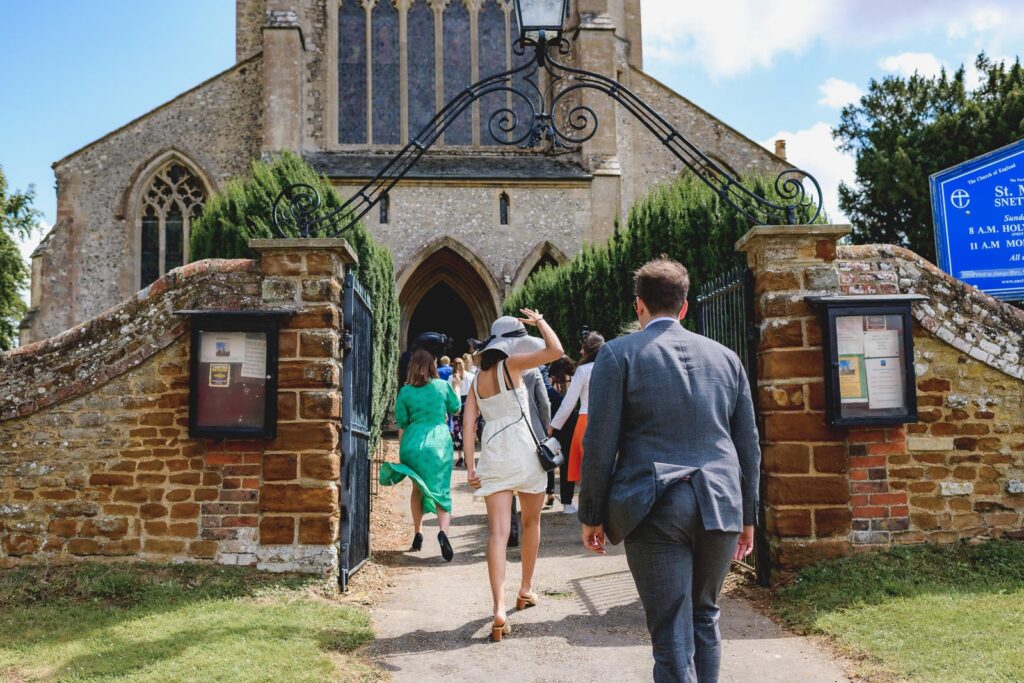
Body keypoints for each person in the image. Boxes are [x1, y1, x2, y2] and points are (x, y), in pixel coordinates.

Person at [578, 259, 760, 683]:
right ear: (684, 306)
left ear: (639, 305)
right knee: (705, 616)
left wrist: (591, 514)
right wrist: (747, 516)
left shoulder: (617, 355)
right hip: (720, 503)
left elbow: (599, 444)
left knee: (669, 630)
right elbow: (747, 444)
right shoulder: (726, 358)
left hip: (653, 504)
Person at [463, 310, 563, 642]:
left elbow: (467, 426)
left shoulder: (477, 380)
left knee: (497, 534)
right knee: (531, 522)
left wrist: (471, 466)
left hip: (493, 455)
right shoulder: (514, 366)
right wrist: (541, 322)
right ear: (510, 347)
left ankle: (498, 609)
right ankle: (525, 590)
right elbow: (556, 351)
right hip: (523, 453)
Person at [380, 348, 463, 562]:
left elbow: (402, 423)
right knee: (441, 490)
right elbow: (456, 409)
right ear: (432, 366)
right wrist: (456, 386)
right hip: (438, 444)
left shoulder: (405, 392)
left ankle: (418, 532)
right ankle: (443, 532)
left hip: (413, 444)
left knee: (417, 488)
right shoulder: (442, 386)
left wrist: (402, 449)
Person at [547, 332, 604, 507]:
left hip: (585, 421)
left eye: (583, 347)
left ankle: (590, 508)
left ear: (588, 350)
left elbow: (569, 403)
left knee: (587, 470)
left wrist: (553, 425)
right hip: (608, 419)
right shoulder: (611, 366)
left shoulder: (583, 370)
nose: (580, 351)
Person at [508, 365, 551, 547]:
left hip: (509, 436)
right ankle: (530, 533)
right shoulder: (533, 371)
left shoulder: (499, 371)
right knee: (532, 485)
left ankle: (512, 531)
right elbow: (544, 403)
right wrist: (546, 430)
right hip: (534, 435)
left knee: (509, 486)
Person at [545, 356, 578, 512]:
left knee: (548, 462)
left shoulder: (548, 385)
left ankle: (550, 494)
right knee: (567, 465)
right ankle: (567, 502)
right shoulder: (563, 385)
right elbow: (567, 408)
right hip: (567, 426)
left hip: (551, 427)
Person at [449, 358, 474, 466]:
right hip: (467, 402)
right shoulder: (470, 376)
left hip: (457, 403)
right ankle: (467, 458)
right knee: (467, 429)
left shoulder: (451, 378)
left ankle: (460, 456)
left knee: (458, 429)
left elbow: (449, 392)